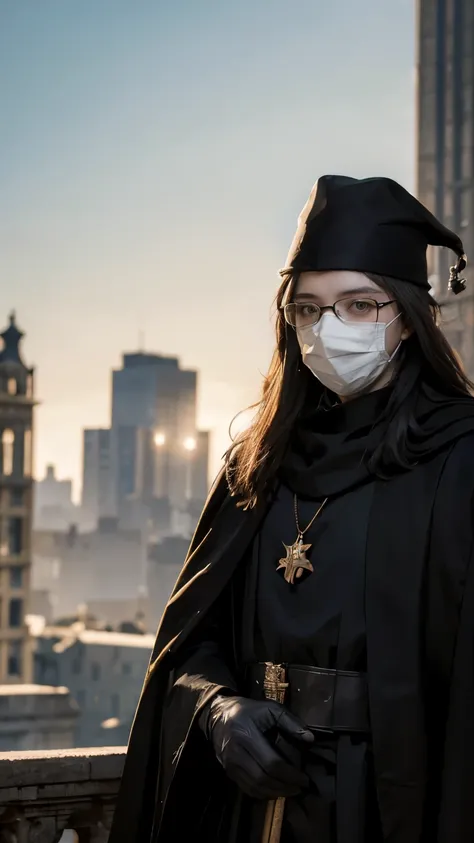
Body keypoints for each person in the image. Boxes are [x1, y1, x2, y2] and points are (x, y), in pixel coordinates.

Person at [108, 175, 474, 843]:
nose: (328, 328)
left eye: (358, 305)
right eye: (307, 308)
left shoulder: (461, 460)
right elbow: (192, 642)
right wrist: (217, 711)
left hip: (393, 806)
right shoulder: (258, 463)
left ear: (409, 315)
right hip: (247, 807)